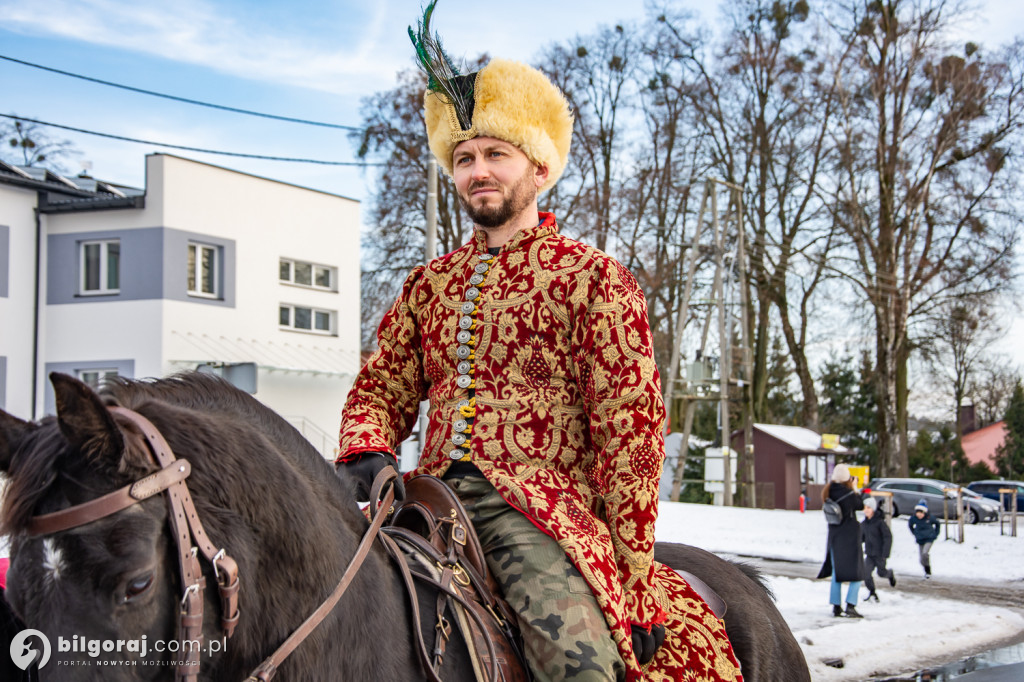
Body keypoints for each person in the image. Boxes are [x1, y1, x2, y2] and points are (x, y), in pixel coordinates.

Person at [335, 4, 741, 681]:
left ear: (539, 168)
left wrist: (637, 579)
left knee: (577, 668)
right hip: (426, 499)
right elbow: (380, 385)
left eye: (496, 153)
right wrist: (368, 445)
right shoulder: (426, 285)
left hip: (538, 510)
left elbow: (631, 436)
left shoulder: (594, 280)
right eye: (463, 158)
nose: (477, 171)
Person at [817, 464, 866, 618]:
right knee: (857, 573)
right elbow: (860, 505)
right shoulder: (849, 494)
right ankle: (851, 605)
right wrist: (855, 487)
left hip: (834, 538)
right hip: (850, 538)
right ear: (847, 478)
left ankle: (836, 607)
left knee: (837, 574)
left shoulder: (827, 492)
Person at [860, 497, 896, 601]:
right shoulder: (864, 524)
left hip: (880, 554)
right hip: (870, 554)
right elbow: (861, 537)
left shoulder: (880, 523)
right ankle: (872, 592)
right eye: (864, 508)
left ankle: (889, 574)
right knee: (866, 573)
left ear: (874, 509)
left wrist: (885, 553)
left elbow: (887, 537)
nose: (866, 510)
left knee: (881, 573)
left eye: (869, 508)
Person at [908, 499, 940, 578]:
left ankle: (928, 570)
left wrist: (935, 534)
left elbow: (937, 524)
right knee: (921, 559)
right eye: (918, 513)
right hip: (920, 539)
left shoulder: (930, 518)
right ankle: (927, 569)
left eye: (921, 513)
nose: (919, 515)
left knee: (925, 553)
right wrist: (915, 533)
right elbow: (910, 525)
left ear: (924, 512)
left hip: (929, 538)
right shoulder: (914, 518)